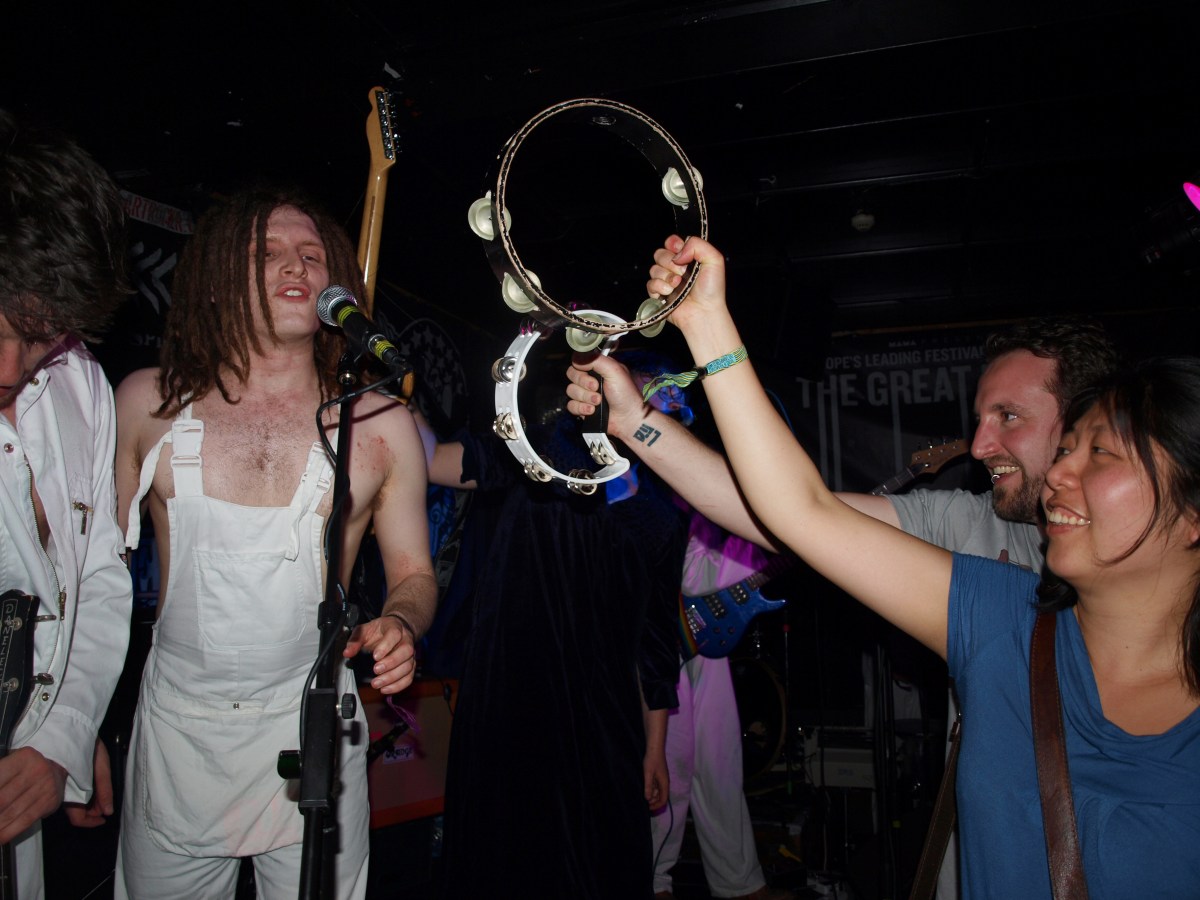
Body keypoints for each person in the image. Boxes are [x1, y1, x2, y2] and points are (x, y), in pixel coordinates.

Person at [584, 233, 1200, 897]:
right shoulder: (999, 615)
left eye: (1097, 453)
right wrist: (649, 402)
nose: (984, 447)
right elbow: (799, 511)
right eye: (1069, 450)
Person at [112, 186, 437, 899]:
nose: (297, 265)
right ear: (219, 277)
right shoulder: (147, 403)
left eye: (313, 254)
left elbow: (414, 573)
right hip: (178, 733)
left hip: (315, 723)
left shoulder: (381, 423)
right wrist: (77, 735)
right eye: (269, 252)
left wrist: (401, 623)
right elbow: (92, 579)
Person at [418, 359, 686, 899]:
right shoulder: (537, 452)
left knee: (603, 861)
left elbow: (656, 642)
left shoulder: (662, 508)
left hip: (604, 717)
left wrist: (654, 749)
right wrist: (397, 406)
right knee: (514, 856)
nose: (665, 401)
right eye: (651, 388)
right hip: (515, 702)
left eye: (671, 399)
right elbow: (434, 462)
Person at [0, 109, 133, 898]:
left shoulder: (82, 385)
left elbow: (97, 577)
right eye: (7, 325)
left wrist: (65, 735)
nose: (12, 366)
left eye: (43, 336)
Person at [654, 511, 794, 900]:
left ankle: (739, 883)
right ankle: (653, 880)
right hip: (659, 640)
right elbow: (694, 574)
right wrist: (787, 533)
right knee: (670, 764)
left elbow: (701, 563)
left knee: (719, 761)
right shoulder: (654, 487)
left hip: (699, 636)